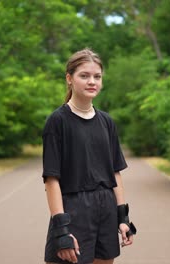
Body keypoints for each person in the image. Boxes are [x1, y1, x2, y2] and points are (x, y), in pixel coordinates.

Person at [42, 48, 137, 264]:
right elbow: (51, 179)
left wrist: (123, 217)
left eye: (97, 76)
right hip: (73, 210)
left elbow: (115, 172)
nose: (91, 81)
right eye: (84, 75)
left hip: (106, 209)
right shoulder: (57, 122)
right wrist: (61, 229)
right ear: (69, 79)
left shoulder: (106, 122)